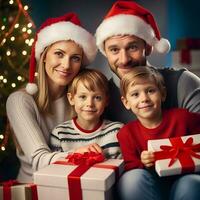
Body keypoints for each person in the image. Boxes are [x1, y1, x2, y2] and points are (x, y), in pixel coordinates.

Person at [6, 13, 97, 183]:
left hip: (77, 183)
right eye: (59, 54)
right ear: (44, 55)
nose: (66, 65)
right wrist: (77, 155)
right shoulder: (20, 101)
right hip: (33, 188)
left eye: (75, 58)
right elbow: (40, 161)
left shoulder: (83, 100)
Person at [95, 0, 200, 123]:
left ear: (148, 47)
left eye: (132, 47)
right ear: (105, 52)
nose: (124, 60)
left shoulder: (183, 83)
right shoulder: (97, 98)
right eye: (114, 50)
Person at [116, 66, 200, 200]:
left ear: (162, 94)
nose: (144, 99)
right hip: (151, 187)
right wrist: (143, 162)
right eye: (135, 94)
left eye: (150, 91)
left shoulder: (182, 118)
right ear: (126, 102)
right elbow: (130, 165)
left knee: (190, 184)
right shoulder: (126, 133)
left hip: (185, 181)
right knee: (131, 180)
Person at [50, 68, 123, 159]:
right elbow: (55, 168)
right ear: (71, 99)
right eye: (83, 97)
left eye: (97, 97)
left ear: (106, 101)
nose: (90, 104)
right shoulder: (59, 134)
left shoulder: (118, 131)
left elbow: (123, 167)